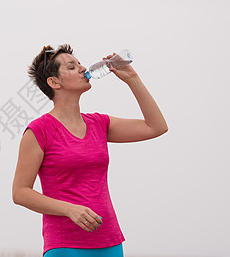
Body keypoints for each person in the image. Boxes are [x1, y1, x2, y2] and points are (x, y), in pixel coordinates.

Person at [12, 44, 168, 257]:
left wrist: (132, 79)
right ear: (54, 82)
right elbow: (20, 193)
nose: (82, 68)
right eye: (71, 66)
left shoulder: (99, 124)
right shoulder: (39, 131)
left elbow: (156, 127)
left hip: (109, 241)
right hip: (65, 245)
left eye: (79, 63)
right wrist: (70, 209)